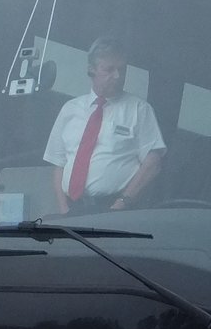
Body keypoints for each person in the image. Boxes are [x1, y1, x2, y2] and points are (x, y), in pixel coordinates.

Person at [43, 35, 166, 214]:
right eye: (109, 69)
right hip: (72, 210)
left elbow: (152, 164)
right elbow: (58, 163)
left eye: (122, 70)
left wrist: (121, 204)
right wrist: (63, 210)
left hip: (114, 209)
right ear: (91, 70)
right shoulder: (69, 109)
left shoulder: (139, 110)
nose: (117, 76)